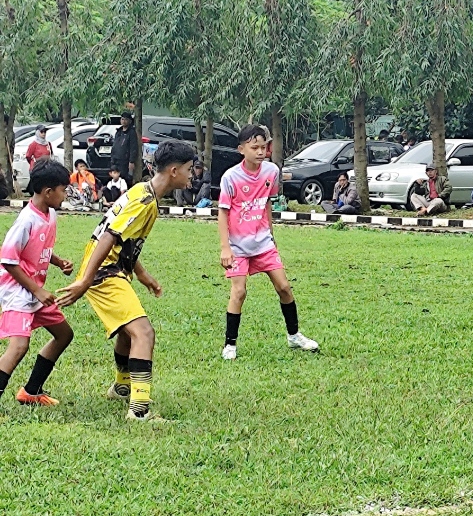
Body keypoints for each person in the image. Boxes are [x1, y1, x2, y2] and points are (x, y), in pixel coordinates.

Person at [56, 140, 196, 421]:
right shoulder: (144, 201)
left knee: (126, 331)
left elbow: (125, 240)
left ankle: (122, 387)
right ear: (174, 171)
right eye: (189, 169)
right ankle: (139, 411)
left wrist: (142, 275)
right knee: (144, 333)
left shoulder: (143, 192)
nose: (192, 175)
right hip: (103, 272)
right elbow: (108, 237)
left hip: (111, 270)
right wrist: (85, 281)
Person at [216, 125, 318, 361]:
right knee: (239, 292)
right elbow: (223, 212)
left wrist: (271, 235)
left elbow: (267, 204)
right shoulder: (230, 177)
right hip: (238, 246)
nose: (261, 152)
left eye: (264, 147)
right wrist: (225, 248)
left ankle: (294, 336)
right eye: (255, 148)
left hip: (263, 243)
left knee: (284, 287)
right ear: (241, 149)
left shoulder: (271, 171)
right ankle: (230, 344)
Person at [0, 161, 75, 406]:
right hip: (17, 291)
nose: (65, 195)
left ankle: (31, 392)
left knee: (64, 334)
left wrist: (58, 261)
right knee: (18, 347)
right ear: (48, 192)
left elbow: (39, 247)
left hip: (35, 291)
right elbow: (8, 260)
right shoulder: (26, 220)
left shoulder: (49, 214)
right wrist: (37, 290)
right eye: (63, 190)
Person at [111, 111, 138, 185]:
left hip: (125, 161)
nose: (124, 121)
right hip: (115, 160)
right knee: (115, 180)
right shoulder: (118, 132)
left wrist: (131, 161)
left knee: (124, 180)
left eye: (126, 119)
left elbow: (133, 147)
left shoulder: (131, 132)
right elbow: (115, 145)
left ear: (130, 121)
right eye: (122, 119)